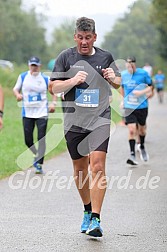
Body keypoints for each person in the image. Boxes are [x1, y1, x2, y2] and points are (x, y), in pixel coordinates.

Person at [49, 17, 121, 237]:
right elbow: (53, 86)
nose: (84, 42)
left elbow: (118, 81)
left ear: (94, 37)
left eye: (88, 38)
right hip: (74, 121)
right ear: (75, 37)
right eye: (80, 37)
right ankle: (87, 210)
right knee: (80, 170)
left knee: (97, 166)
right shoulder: (65, 57)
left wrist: (112, 78)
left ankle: (96, 219)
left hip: (99, 118)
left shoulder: (105, 56)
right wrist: (71, 81)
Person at [13, 56, 57, 174]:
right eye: (32, 65)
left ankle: (39, 164)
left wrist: (53, 103)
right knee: (28, 140)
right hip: (27, 113)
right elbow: (15, 89)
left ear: (39, 66)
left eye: (35, 65)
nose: (34, 68)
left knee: (41, 138)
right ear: (29, 65)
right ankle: (35, 154)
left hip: (42, 112)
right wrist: (17, 95)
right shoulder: (23, 77)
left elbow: (53, 92)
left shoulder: (45, 78)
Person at [121, 56, 152, 165]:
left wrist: (141, 92)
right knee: (131, 130)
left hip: (142, 106)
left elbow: (150, 87)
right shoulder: (124, 75)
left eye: (131, 66)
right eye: (127, 66)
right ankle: (132, 155)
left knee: (142, 130)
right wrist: (123, 100)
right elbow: (122, 88)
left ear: (134, 65)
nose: (129, 68)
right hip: (129, 106)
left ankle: (142, 146)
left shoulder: (143, 73)